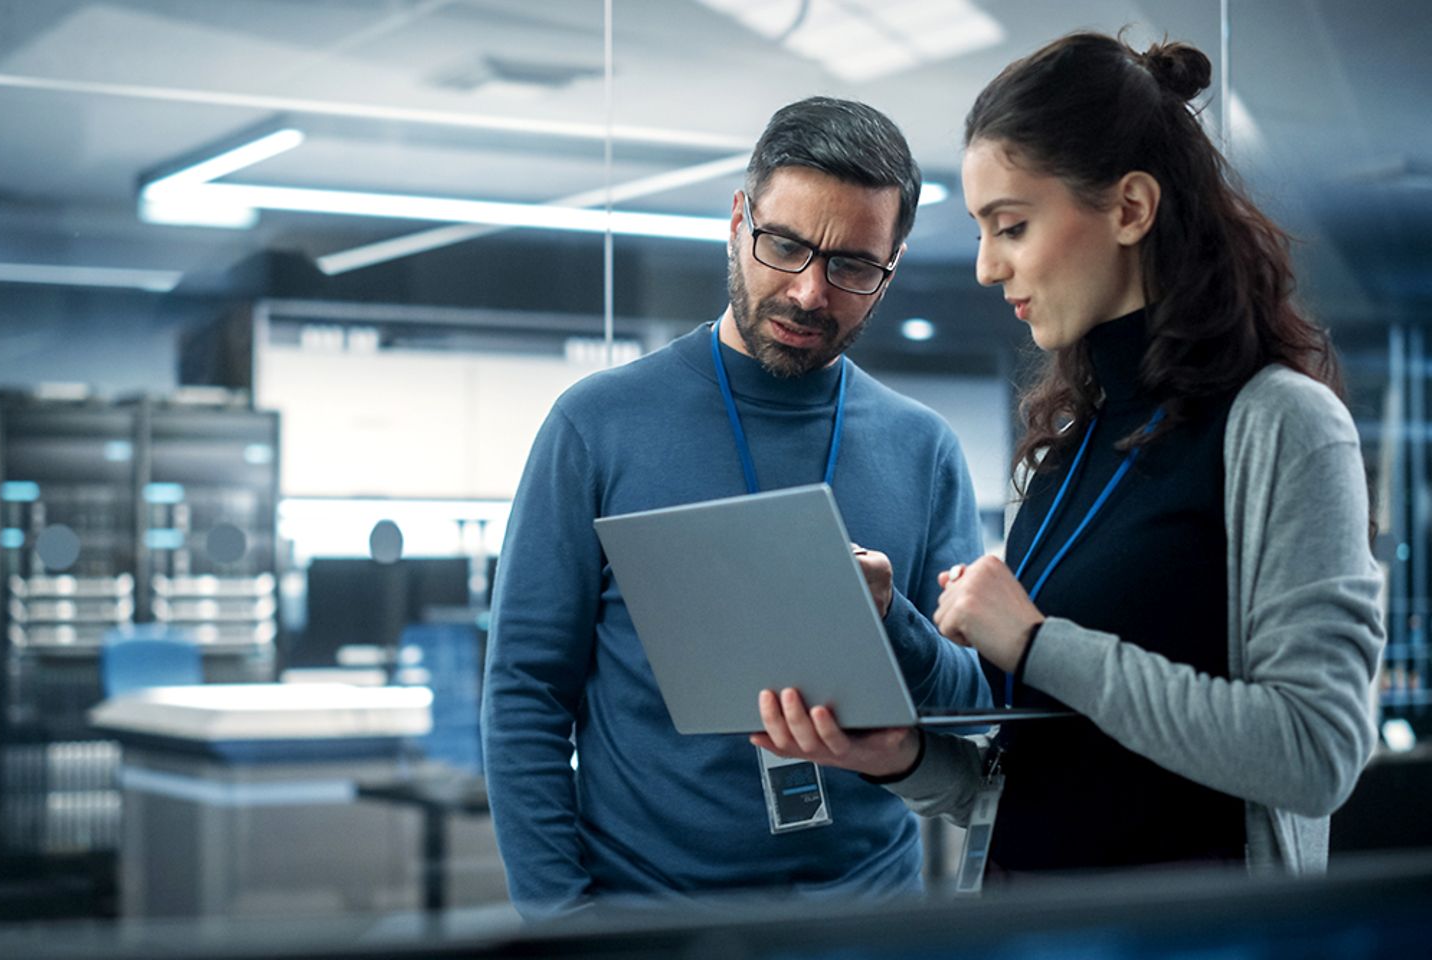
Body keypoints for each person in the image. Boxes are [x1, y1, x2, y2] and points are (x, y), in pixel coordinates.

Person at [754, 33, 1385, 878]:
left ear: (1130, 208)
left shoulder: (1281, 426)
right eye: (982, 231)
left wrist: (1039, 643)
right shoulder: (1059, 453)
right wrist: (900, 756)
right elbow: (1030, 779)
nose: (985, 267)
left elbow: (1316, 755)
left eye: (1011, 225)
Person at [482, 96, 991, 916]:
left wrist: (889, 617)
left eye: (853, 266)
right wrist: (561, 921)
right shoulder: (598, 425)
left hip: (867, 922)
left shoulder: (922, 449)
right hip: (648, 920)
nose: (809, 291)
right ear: (736, 220)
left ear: (891, 267)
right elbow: (525, 694)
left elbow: (970, 704)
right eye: (784, 245)